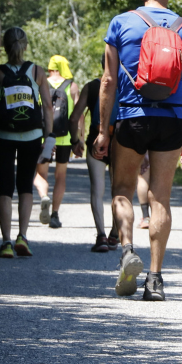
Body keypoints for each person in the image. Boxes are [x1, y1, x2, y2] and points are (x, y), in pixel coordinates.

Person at [93, 0, 182, 300]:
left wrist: (103, 130)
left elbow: (108, 81)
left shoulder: (121, 23)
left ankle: (127, 250)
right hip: (172, 119)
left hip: (131, 117)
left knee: (123, 190)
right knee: (161, 200)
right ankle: (155, 279)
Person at [0, 27, 53, 258]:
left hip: (2, 136)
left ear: (5, 47)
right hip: (31, 135)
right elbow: (49, 107)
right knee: (25, 186)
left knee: (4, 187)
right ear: (26, 46)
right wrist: (48, 138)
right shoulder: (37, 71)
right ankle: (23, 236)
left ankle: (6, 242)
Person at [34, 55, 79, 228]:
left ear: (50, 67)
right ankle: (54, 214)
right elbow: (78, 116)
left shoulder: (41, 84)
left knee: (40, 174)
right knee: (61, 176)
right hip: (65, 137)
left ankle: (44, 195)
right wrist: (78, 139)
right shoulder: (72, 86)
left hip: (45, 137)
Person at [71, 77, 113, 253]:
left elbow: (74, 118)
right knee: (120, 191)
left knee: (97, 190)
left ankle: (101, 236)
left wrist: (75, 141)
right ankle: (116, 234)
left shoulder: (92, 86)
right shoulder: (128, 84)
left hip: (96, 142)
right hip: (121, 145)